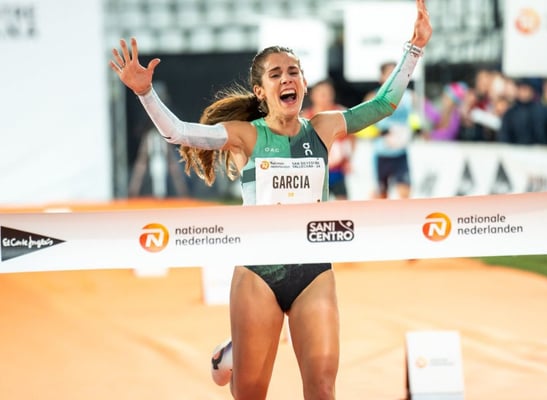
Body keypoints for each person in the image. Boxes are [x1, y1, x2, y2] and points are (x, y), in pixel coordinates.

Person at [109, 1, 431, 398]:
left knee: (322, 388)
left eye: (293, 71)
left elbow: (384, 105)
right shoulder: (246, 135)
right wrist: (144, 92)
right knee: (251, 392)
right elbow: (178, 132)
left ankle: (241, 346)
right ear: (261, 92)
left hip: (313, 270)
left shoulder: (324, 127)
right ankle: (235, 352)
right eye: (276, 74)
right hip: (259, 272)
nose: (287, 78)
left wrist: (415, 48)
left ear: (303, 83)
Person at [370, 61, 416, 199]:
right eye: (389, 73)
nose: (394, 77)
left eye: (397, 73)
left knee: (405, 194)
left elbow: (420, 120)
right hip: (381, 154)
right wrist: (380, 132)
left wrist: (414, 130)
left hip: (400, 154)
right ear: (381, 77)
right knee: (381, 196)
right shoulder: (373, 97)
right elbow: (363, 127)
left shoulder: (410, 97)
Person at [301, 78, 353, 200]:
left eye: (328, 93)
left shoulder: (342, 114)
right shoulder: (305, 118)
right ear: (313, 96)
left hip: (337, 170)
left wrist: (349, 159)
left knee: (343, 203)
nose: (326, 97)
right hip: (316, 171)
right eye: (322, 94)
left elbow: (351, 138)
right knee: (318, 204)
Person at [497, 78, 547, 145]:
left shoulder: (544, 111)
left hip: (542, 150)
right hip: (517, 150)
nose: (523, 92)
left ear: (532, 90)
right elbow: (504, 138)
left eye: (525, 88)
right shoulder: (510, 114)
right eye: (520, 88)